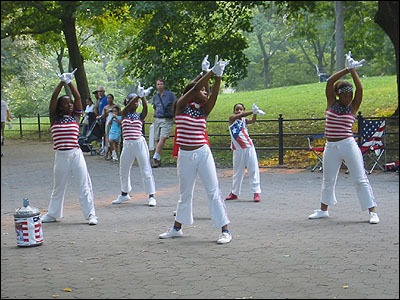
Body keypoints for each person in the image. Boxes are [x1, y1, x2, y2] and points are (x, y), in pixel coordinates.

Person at [159, 55, 232, 244]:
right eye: (203, 91)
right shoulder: (180, 106)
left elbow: (214, 95)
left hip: (202, 153)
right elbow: (194, 88)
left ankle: (225, 230)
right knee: (185, 192)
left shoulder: (203, 110)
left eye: (206, 91)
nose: (206, 93)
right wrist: (207, 73)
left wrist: (218, 76)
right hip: (185, 155)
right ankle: (177, 228)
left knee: (213, 190)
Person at [308, 51, 379, 224]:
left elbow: (360, 89)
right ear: (339, 94)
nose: (349, 98)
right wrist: (346, 69)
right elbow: (331, 81)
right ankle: (323, 210)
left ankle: (372, 212)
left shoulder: (353, 107)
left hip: (348, 144)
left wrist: (354, 71)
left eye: (350, 95)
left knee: (359, 177)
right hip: (331, 147)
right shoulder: (331, 103)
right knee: (328, 179)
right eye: (346, 95)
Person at [41, 69, 98, 226]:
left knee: (83, 185)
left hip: (75, 154)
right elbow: (53, 98)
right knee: (58, 187)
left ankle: (91, 215)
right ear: (60, 107)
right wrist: (61, 82)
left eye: (70, 102)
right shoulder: (54, 118)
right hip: (60, 155)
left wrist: (70, 82)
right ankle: (53, 214)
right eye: (66, 102)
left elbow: (78, 97)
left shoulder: (75, 117)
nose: (70, 104)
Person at [112, 83, 157, 207]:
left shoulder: (139, 116)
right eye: (132, 101)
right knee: (124, 169)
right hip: (127, 144)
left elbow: (145, 110)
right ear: (127, 101)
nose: (135, 103)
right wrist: (137, 96)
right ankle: (124, 193)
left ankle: (151, 195)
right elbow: (126, 109)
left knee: (145, 169)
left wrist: (142, 97)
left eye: (137, 102)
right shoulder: (124, 113)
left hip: (139, 143)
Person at [225, 102, 265, 202]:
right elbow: (241, 115)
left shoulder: (244, 121)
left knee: (253, 169)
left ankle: (256, 193)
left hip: (249, 147)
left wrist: (255, 113)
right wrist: (252, 111)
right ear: (234, 111)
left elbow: (253, 120)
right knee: (237, 172)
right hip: (237, 149)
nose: (239, 111)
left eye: (241, 109)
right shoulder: (232, 119)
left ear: (243, 110)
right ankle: (234, 193)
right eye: (237, 109)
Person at [151, 79, 176, 167]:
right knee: (157, 139)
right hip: (158, 118)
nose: (160, 86)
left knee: (163, 137)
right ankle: (158, 160)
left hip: (167, 119)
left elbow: (175, 104)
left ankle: (154, 157)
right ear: (156, 86)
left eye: (161, 84)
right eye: (158, 84)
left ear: (164, 85)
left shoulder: (170, 95)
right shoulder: (155, 97)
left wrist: (174, 115)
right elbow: (155, 107)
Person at [99, 93, 116, 160]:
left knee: (113, 138)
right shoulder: (105, 107)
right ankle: (107, 153)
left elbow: (120, 113)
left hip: (114, 123)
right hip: (108, 122)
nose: (109, 99)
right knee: (107, 137)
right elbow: (103, 116)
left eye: (110, 98)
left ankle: (114, 153)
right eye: (108, 98)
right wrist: (107, 112)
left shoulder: (116, 106)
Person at [97, 86, 108, 155]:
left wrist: (102, 116)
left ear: (104, 92)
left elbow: (106, 109)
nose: (99, 93)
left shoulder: (106, 99)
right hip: (101, 119)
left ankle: (106, 148)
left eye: (101, 91)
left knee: (105, 134)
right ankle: (103, 147)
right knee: (102, 135)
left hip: (105, 120)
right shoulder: (100, 100)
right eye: (98, 91)